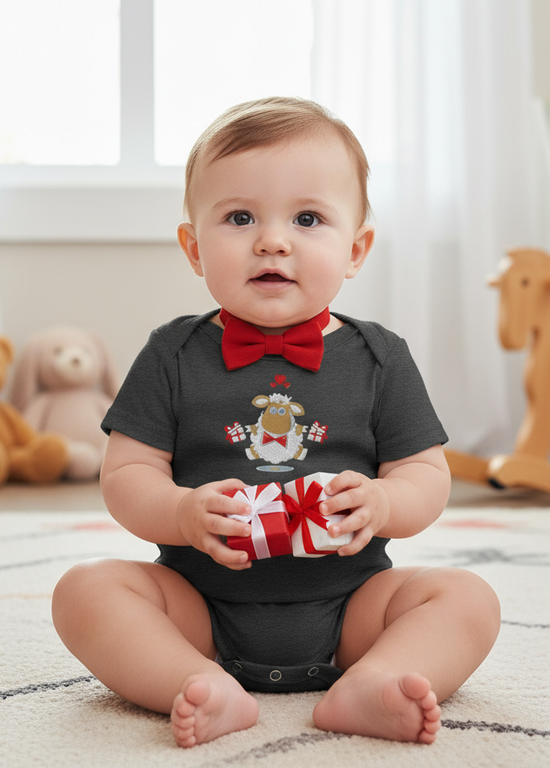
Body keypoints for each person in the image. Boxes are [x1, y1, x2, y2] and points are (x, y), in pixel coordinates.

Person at [52, 97, 500, 749]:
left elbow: (424, 475)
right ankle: (192, 681)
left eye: (308, 218)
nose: (273, 239)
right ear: (193, 247)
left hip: (353, 606)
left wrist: (380, 501)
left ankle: (373, 680)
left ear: (356, 249)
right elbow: (126, 472)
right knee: (84, 590)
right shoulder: (171, 353)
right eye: (239, 217)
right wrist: (181, 513)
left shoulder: (381, 357)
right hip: (198, 609)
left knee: (468, 598)